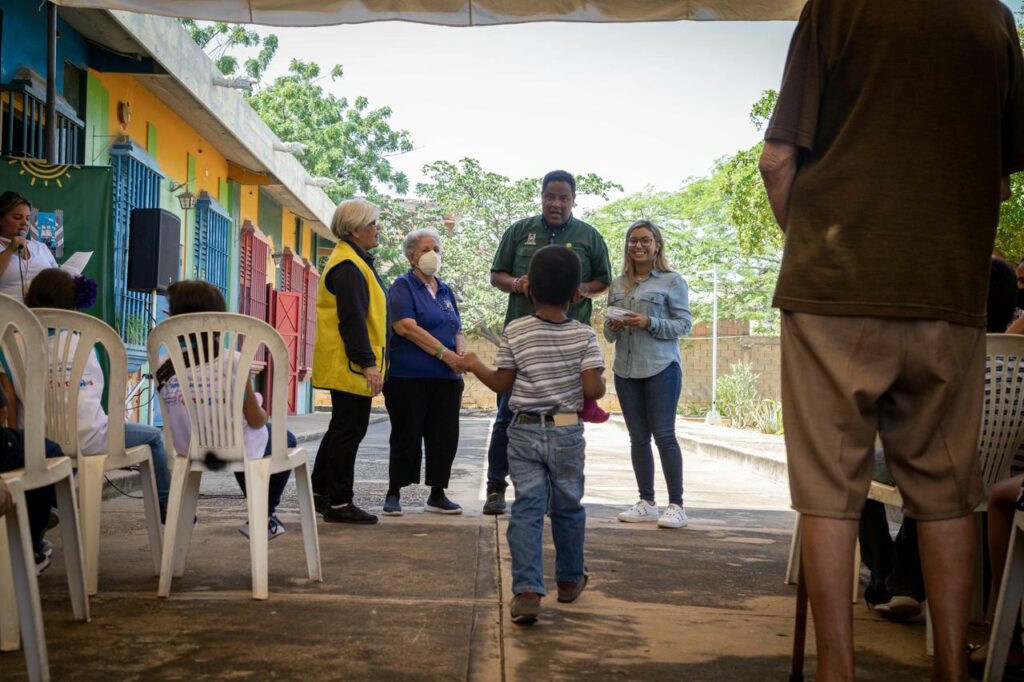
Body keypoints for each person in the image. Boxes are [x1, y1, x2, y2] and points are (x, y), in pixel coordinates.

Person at [758, 1, 1024, 678]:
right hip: (946, 290)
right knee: (946, 494)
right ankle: (952, 671)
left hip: (834, 290)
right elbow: (996, 179)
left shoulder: (838, 8)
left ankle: (838, 671)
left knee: (830, 491)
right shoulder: (992, 20)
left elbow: (776, 159)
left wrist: (814, 249)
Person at [859, 258, 1020, 621]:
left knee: (851, 468)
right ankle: (901, 582)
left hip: (935, 468)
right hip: (997, 475)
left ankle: (887, 579)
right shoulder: (1018, 360)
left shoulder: (942, 354)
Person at [459, 245, 606, 625]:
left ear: (528, 290)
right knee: (568, 505)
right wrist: (593, 375)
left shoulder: (516, 331)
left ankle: (527, 590)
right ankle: (570, 580)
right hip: (566, 431)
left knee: (526, 509)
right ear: (576, 294)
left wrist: (474, 363)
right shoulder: (584, 336)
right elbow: (593, 391)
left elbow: (501, 384)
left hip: (523, 432)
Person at [484, 170, 611, 515]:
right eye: (550, 197)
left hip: (569, 343)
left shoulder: (589, 236)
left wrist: (580, 288)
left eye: (563, 198)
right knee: (505, 415)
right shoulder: (518, 232)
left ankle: (561, 492)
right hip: (523, 341)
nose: (556, 204)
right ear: (541, 197)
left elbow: (604, 280)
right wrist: (515, 284)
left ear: (573, 200)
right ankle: (496, 487)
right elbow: (497, 274)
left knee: (568, 417)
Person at [21, 268, 174, 520]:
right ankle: (168, 506)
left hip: (37, 442)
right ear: (74, 304)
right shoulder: (84, 340)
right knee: (154, 438)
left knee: (61, 442)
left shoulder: (13, 342)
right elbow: (96, 396)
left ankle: (51, 506)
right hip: (93, 437)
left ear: (29, 299)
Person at [155, 280, 293, 541]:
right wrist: (264, 414)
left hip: (189, 449)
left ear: (173, 320)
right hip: (236, 445)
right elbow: (254, 420)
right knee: (280, 438)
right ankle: (263, 513)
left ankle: (261, 514)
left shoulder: (164, 365)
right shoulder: (234, 362)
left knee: (248, 442)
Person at [603, 220, 692, 529]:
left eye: (644, 240)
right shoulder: (617, 284)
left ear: (657, 246)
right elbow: (608, 334)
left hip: (661, 368)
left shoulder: (671, 281)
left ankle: (677, 505)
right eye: (632, 241)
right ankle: (646, 502)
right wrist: (613, 325)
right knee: (638, 438)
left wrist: (649, 322)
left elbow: (683, 325)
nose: (637, 246)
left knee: (664, 435)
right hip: (625, 370)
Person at [311, 198, 390, 525]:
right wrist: (368, 363)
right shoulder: (348, 266)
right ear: (355, 229)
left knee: (341, 429)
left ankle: (320, 492)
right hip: (351, 363)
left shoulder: (352, 260)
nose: (377, 229)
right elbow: (352, 320)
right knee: (349, 431)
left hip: (348, 362)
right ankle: (340, 502)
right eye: (372, 223)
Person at [382, 228, 466, 516]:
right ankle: (394, 492)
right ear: (411, 256)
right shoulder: (402, 287)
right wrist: (445, 354)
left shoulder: (444, 290)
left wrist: (461, 355)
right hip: (409, 377)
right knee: (407, 434)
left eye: (437, 249)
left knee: (444, 436)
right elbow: (406, 327)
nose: (433, 255)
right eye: (426, 249)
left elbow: (457, 327)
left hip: (446, 379)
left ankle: (438, 492)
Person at [0, 191, 55, 426]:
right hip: (5, 329)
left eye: (27, 218)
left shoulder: (41, 248)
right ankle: (14, 443)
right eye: (16, 217)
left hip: (41, 327)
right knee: (9, 389)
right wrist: (11, 249)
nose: (24, 223)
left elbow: (56, 276)